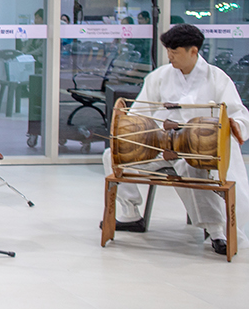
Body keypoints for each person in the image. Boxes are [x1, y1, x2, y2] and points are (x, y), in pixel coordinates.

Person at [103, 24, 249, 255]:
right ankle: (131, 214)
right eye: (168, 51)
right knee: (112, 155)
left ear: (193, 51)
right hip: (158, 148)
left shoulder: (217, 78)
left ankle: (216, 232)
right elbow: (137, 115)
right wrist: (139, 135)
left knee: (191, 168)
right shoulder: (159, 77)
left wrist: (231, 127)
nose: (169, 56)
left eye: (175, 52)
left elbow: (238, 115)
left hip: (196, 151)